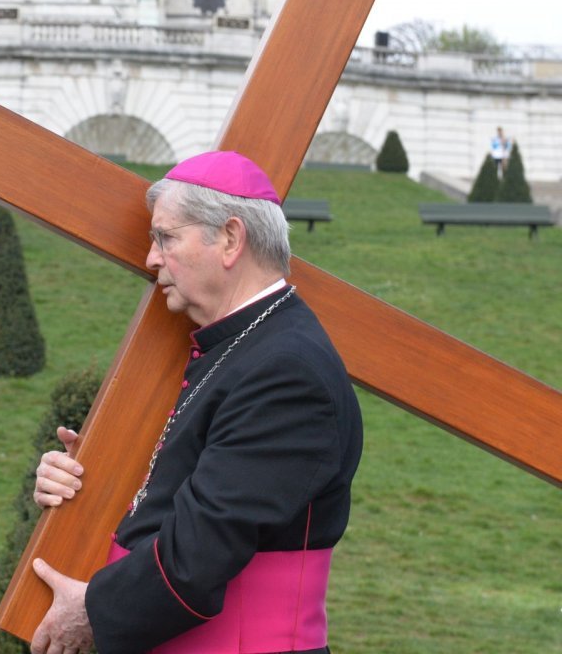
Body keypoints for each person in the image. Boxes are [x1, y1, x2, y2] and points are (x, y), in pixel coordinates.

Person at [30, 151, 362, 654]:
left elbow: (199, 553)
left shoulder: (287, 373)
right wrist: (93, 475)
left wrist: (94, 611)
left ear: (230, 238)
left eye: (165, 237)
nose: (151, 259)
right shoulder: (238, 344)